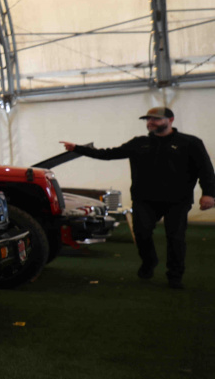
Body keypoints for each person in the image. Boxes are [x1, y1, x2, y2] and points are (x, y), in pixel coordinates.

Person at [62, 107, 214, 289]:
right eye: (148, 119)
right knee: (141, 233)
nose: (150, 122)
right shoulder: (139, 143)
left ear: (171, 120)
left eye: (155, 119)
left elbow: (205, 169)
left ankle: (175, 276)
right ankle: (149, 262)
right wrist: (77, 148)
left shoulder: (190, 143)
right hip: (144, 199)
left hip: (177, 200)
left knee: (176, 238)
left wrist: (209, 194)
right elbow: (108, 154)